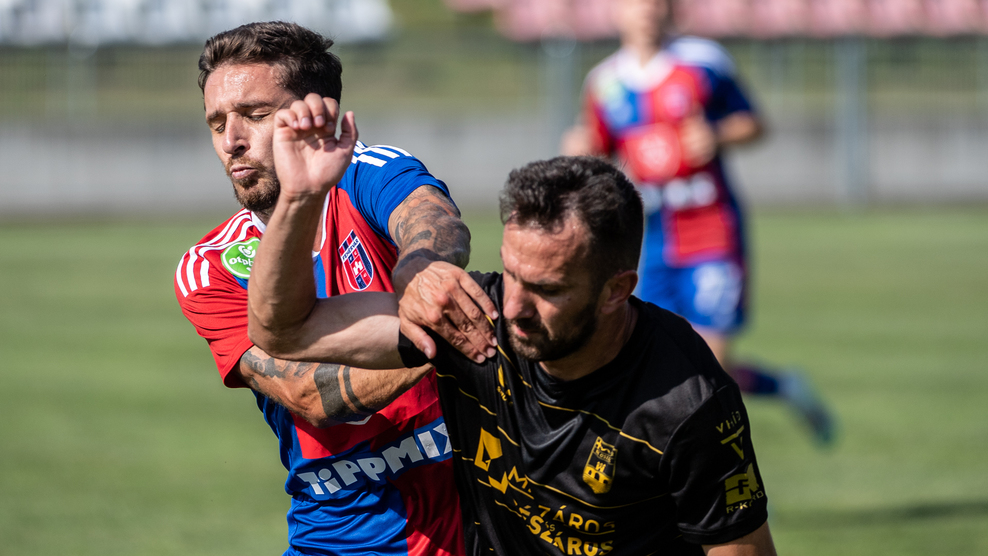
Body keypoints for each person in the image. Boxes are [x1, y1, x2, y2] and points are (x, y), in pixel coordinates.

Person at [244, 97, 777, 554]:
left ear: (617, 290)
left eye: (548, 289)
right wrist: (300, 197)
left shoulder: (686, 400)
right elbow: (284, 331)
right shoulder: (478, 321)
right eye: (512, 274)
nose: (516, 305)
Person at [173, 21, 495, 556]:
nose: (232, 141)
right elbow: (310, 393)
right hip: (341, 537)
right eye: (217, 122)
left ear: (316, 113)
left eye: (255, 115)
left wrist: (423, 274)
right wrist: (461, 338)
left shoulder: (368, 173)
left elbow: (432, 221)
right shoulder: (210, 269)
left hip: (477, 522)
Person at [561, 0, 834, 445]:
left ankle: (710, 475)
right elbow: (598, 153)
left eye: (655, 3)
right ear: (616, 12)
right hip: (649, 240)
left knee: (710, 361)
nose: (645, 11)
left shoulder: (703, 62)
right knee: (658, 363)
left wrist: (717, 134)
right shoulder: (604, 82)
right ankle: (782, 387)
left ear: (671, 9)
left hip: (711, 230)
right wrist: (580, 149)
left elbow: (753, 123)